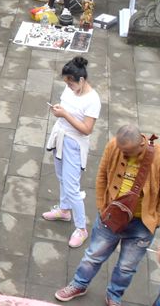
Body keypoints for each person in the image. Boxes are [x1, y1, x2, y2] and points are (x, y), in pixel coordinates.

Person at [55, 124, 160, 305]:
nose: (123, 154)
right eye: (121, 150)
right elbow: (102, 176)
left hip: (141, 224)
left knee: (127, 267)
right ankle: (79, 284)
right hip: (110, 216)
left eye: (127, 152)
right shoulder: (114, 146)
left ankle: (114, 296)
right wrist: (102, 207)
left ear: (141, 144)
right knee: (93, 256)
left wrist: (156, 220)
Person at [42, 57, 102, 249]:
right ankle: (64, 209)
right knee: (61, 177)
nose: (68, 86)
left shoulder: (92, 100)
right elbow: (66, 108)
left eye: (71, 83)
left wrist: (65, 114)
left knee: (72, 187)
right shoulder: (70, 89)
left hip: (74, 144)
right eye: (66, 82)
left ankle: (81, 228)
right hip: (60, 137)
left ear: (81, 80)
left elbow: (87, 129)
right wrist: (59, 110)